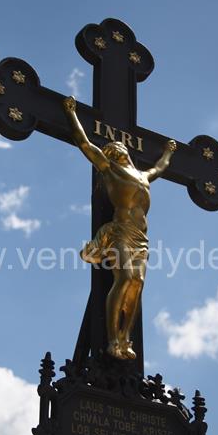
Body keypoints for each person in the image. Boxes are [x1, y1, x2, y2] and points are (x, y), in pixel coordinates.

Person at [63, 96, 176, 360]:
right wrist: (71, 113)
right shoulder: (109, 169)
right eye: (113, 149)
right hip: (121, 232)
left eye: (119, 148)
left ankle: (126, 339)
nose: (118, 149)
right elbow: (84, 143)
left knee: (137, 283)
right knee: (124, 278)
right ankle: (113, 340)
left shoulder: (143, 176)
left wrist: (169, 151)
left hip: (141, 238)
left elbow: (160, 167)